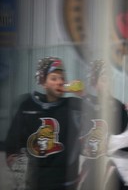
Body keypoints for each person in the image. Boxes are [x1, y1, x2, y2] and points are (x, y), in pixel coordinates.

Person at [5, 56, 83, 190]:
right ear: (43, 82)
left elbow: (102, 115)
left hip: (66, 184)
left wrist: (84, 95)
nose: (60, 82)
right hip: (37, 183)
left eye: (62, 78)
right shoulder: (27, 106)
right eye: (54, 78)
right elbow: (13, 144)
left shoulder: (74, 106)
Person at [79, 59, 128, 190]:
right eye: (103, 79)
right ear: (94, 82)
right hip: (93, 168)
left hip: (114, 170)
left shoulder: (119, 107)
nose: (108, 83)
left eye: (109, 79)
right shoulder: (86, 106)